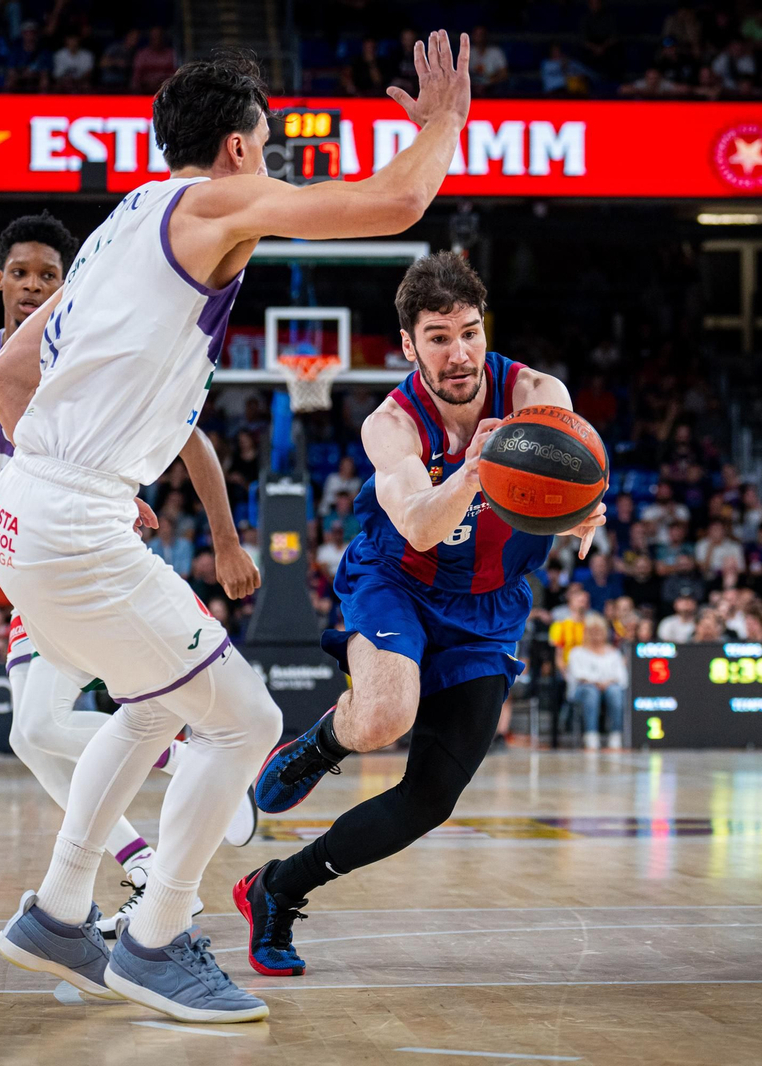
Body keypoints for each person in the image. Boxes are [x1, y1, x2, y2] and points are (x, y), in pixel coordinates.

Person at [0, 38, 493, 1023]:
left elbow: (3, 381)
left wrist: (86, 450)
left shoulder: (123, 219)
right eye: (265, 147)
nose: (271, 166)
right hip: (71, 523)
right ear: (235, 150)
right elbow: (393, 207)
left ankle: (57, 911)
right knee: (244, 721)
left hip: (23, 516)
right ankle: (158, 937)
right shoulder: (208, 203)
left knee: (151, 706)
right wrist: (440, 127)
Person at [239, 250, 605, 979]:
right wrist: (477, 465)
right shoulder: (392, 424)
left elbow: (581, 487)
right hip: (397, 579)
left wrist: (581, 512)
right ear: (409, 346)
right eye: (438, 337)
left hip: (489, 605)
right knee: (382, 717)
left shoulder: (537, 393)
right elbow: (421, 528)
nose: (460, 351)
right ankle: (317, 747)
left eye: (469, 331)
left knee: (432, 799)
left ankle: (275, 889)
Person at [0, 210, 263, 939]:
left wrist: (226, 543)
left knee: (62, 724)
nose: (33, 286)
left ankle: (181, 791)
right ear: (1, 280)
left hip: (83, 552)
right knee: (34, 734)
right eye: (21, 274)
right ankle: (145, 862)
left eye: (49, 275)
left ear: (67, 284)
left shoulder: (87, 348)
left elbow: (192, 442)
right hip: (24, 560)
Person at [566, 613, 627, 749]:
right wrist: (597, 682)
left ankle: (616, 735)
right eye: (592, 631)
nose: (595, 634)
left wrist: (607, 683)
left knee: (615, 691)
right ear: (586, 632)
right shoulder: (577, 652)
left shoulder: (614, 653)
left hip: (609, 687)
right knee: (591, 691)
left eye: (599, 631)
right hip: (583, 690)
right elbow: (578, 675)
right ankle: (591, 735)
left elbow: (622, 677)